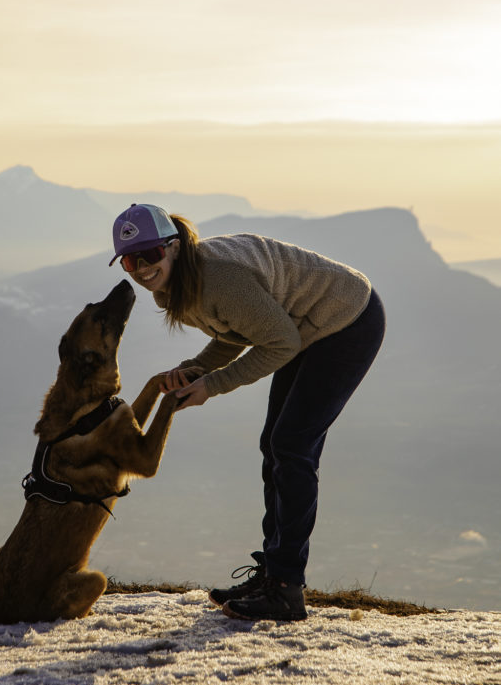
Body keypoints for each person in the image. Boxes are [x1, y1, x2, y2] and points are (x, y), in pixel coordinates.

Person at [109, 203, 386, 623]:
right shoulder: (177, 286)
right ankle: (272, 574)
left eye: (149, 255)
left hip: (345, 321)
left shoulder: (219, 277)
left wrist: (212, 386)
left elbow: (280, 343)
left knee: (291, 445)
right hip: (303, 330)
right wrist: (197, 369)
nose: (141, 269)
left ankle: (285, 590)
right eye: (130, 260)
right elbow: (237, 332)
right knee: (275, 444)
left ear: (174, 247)